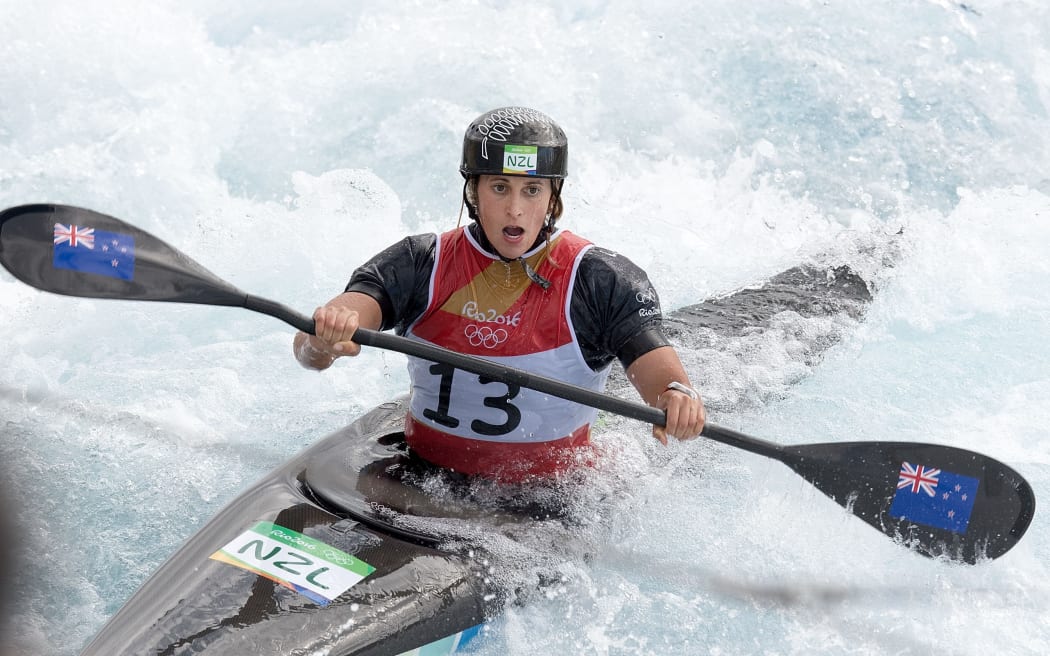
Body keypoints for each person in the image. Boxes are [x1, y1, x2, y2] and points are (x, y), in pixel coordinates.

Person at [294, 106, 705, 482]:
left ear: (552, 198)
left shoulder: (598, 279)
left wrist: (676, 398)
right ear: (474, 192)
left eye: (531, 191)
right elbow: (337, 323)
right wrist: (324, 338)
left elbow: (662, 379)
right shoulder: (422, 262)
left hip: (545, 491)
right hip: (422, 472)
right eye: (499, 188)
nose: (515, 209)